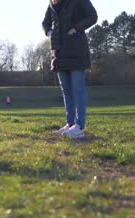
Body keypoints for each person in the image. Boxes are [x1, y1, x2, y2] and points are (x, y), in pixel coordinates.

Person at [42, 0, 97, 139]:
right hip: (59, 53)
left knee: (78, 90)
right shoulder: (52, 4)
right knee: (66, 92)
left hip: (77, 50)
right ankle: (70, 123)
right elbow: (45, 23)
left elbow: (93, 16)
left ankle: (79, 127)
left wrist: (76, 28)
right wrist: (49, 33)